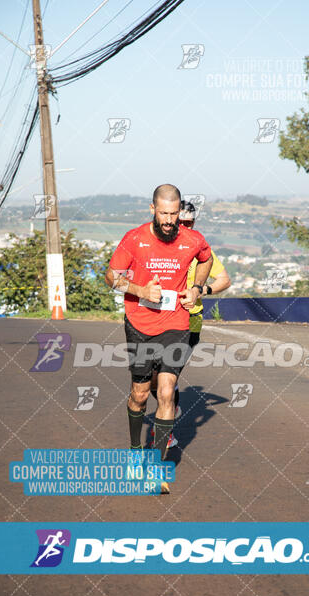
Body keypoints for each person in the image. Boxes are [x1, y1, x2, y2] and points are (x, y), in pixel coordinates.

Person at [105, 184, 213, 493]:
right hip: (139, 324)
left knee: (166, 392)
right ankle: (134, 451)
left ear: (181, 211)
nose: (169, 221)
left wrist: (196, 288)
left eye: (174, 214)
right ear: (153, 209)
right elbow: (111, 276)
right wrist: (140, 291)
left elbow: (205, 260)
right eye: (163, 214)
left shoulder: (193, 240)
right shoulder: (135, 239)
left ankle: (156, 467)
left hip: (175, 323)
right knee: (140, 395)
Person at [150, 200, 231, 448]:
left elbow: (224, 280)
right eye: (180, 221)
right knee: (153, 380)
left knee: (168, 379)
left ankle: (165, 429)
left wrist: (201, 289)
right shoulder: (157, 243)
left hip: (188, 319)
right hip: (156, 317)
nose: (184, 225)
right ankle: (171, 404)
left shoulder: (198, 245)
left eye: (189, 222)